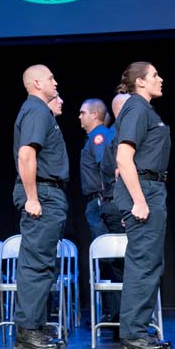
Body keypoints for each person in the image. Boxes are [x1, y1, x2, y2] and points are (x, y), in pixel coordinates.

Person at [114, 62, 172, 349]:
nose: (160, 79)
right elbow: (124, 157)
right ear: (140, 82)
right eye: (154, 75)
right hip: (145, 191)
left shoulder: (143, 110)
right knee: (143, 263)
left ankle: (136, 328)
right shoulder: (136, 108)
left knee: (149, 262)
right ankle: (133, 334)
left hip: (150, 189)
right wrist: (137, 200)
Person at [12, 64, 68, 349]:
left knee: (44, 263)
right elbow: (26, 154)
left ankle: (34, 324)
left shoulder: (41, 111)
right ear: (36, 83)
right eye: (51, 77)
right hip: (42, 193)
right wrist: (32, 197)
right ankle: (27, 330)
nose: (56, 82)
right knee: (36, 264)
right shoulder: (36, 110)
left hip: (48, 193)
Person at [97, 93, 130, 327]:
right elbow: (119, 172)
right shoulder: (117, 135)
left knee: (122, 266)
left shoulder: (116, 134)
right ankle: (125, 321)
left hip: (116, 203)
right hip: (119, 205)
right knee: (123, 266)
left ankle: (125, 321)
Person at [78, 99, 110, 242]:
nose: (79, 116)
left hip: (101, 200)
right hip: (98, 200)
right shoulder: (93, 137)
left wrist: (104, 199)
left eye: (82, 113)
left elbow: (105, 166)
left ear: (95, 115)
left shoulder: (99, 137)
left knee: (106, 252)